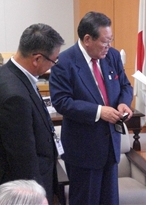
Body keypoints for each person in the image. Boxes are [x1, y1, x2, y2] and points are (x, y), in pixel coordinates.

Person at [49, 11, 133, 205]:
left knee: (109, 200)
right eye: (105, 41)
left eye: (110, 40)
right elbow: (61, 101)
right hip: (83, 150)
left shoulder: (111, 56)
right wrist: (98, 111)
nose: (109, 46)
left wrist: (123, 103)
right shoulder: (64, 62)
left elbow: (125, 86)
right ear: (87, 39)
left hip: (110, 145)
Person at [0, 23, 65, 205]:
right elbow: (23, 158)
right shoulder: (15, 95)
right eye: (54, 60)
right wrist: (39, 198)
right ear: (37, 59)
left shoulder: (8, 72)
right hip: (22, 191)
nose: (53, 65)